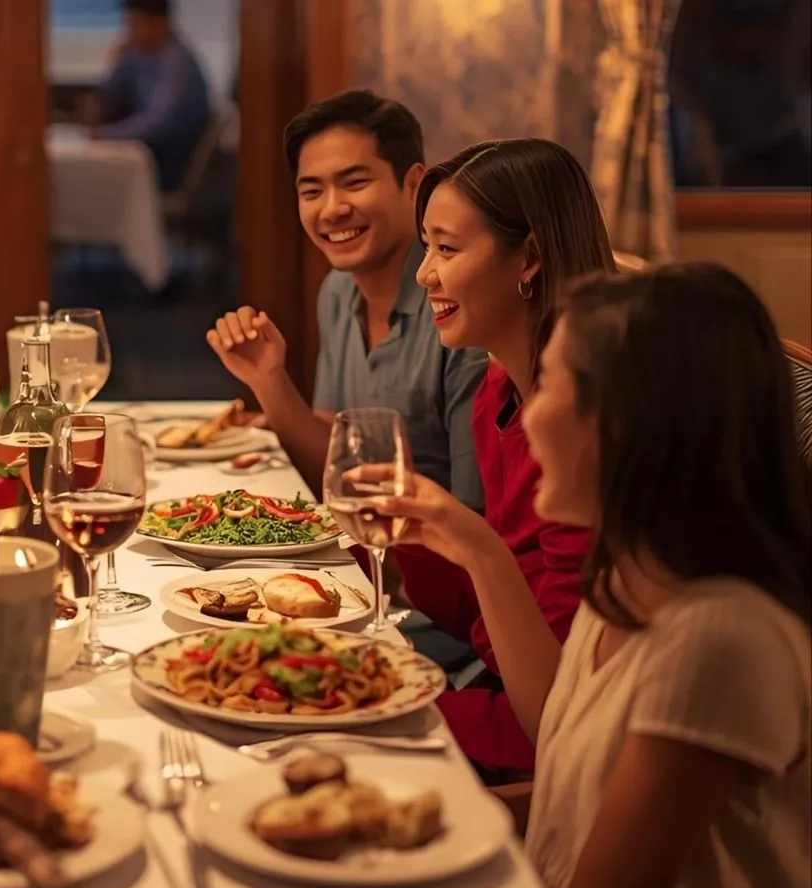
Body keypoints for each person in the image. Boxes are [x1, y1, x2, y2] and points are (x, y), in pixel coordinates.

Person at [379, 263, 811, 888]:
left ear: (630, 421)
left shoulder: (721, 640)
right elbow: (566, 788)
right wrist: (389, 815)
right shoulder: (628, 577)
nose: (526, 420)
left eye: (549, 383)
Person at [387, 137, 615, 780]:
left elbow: (561, 711)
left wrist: (470, 543)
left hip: (552, 740)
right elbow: (497, 610)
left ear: (531, 258)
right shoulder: (499, 392)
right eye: (426, 246)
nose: (424, 274)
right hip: (505, 688)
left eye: (447, 249)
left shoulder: (581, 432)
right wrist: (396, 544)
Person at [207, 89, 490, 511]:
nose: (332, 209)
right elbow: (335, 458)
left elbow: (476, 508)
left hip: (430, 565)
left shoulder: (457, 306)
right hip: (363, 545)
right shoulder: (338, 292)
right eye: (312, 191)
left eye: (355, 183)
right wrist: (268, 379)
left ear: (414, 185)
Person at [93, 0, 211, 190]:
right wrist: (116, 64)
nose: (129, 31)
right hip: (145, 162)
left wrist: (106, 136)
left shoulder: (178, 66)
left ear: (157, 23)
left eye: (134, 24)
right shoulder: (138, 56)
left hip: (165, 171)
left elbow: (158, 125)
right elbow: (109, 100)